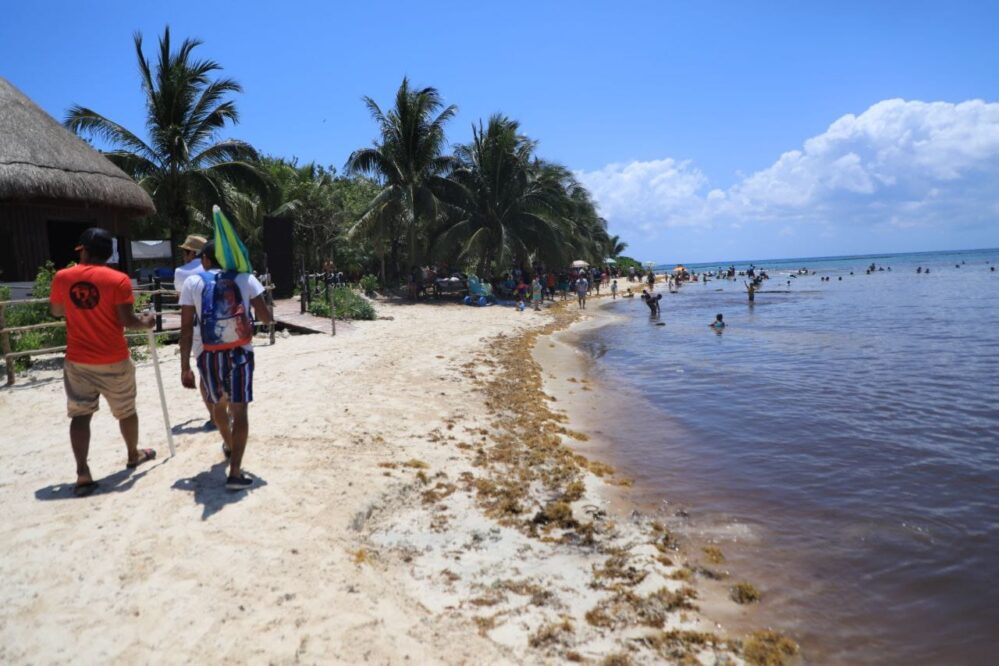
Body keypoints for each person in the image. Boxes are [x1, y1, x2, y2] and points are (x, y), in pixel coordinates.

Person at [49, 228, 157, 496]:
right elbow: (126, 321)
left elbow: (57, 310)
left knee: (80, 415)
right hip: (113, 358)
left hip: (78, 360)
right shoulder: (118, 280)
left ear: (83, 250)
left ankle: (83, 472)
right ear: (108, 253)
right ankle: (133, 454)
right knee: (126, 410)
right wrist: (146, 322)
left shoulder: (63, 277)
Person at [179, 241, 273, 491]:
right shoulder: (244, 277)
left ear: (206, 260)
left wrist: (184, 366)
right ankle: (235, 472)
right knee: (239, 411)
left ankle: (229, 444)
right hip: (240, 352)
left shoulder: (192, 282)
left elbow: (186, 328)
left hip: (208, 354)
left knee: (218, 404)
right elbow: (267, 318)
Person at [172, 235, 217, 431]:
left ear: (193, 253)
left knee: (205, 374)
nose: (183, 255)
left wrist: (184, 365)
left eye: (185, 251)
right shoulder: (221, 271)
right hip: (224, 328)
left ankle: (215, 418)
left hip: (200, 330)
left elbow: (182, 303)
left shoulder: (182, 273)